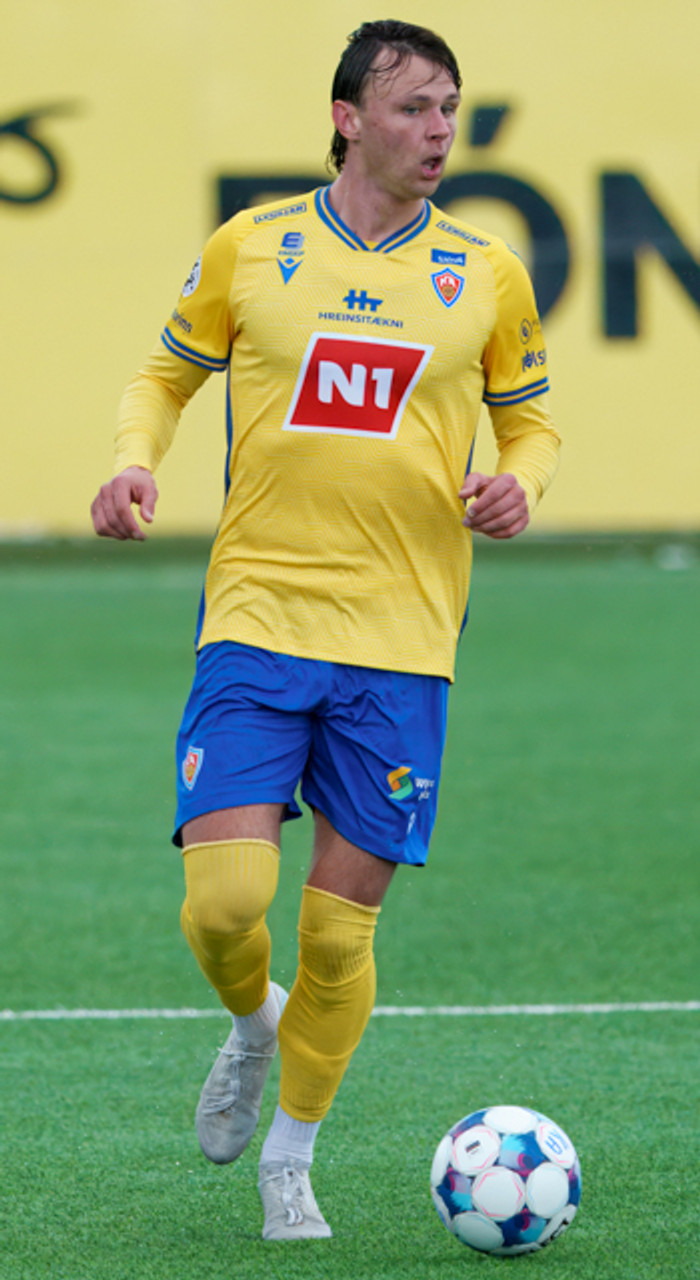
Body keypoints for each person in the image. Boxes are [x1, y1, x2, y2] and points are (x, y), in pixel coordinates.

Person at [91, 19, 560, 1241]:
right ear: (348, 117)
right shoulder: (255, 245)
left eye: (450, 107)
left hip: (402, 635)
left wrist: (522, 483)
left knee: (338, 936)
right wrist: (135, 459)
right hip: (257, 611)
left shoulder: (485, 272)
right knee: (226, 901)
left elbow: (530, 422)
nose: (438, 130)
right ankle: (254, 1021)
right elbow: (164, 374)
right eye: (412, 107)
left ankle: (290, 1158)